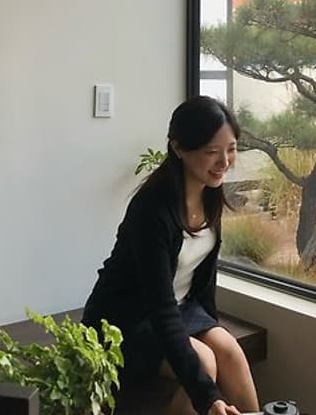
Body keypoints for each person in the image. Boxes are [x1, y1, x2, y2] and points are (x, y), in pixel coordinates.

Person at [83, 96, 260, 415]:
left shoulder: (210, 195)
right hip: (126, 319)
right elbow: (160, 308)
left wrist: (212, 329)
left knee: (230, 351)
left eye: (231, 149)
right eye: (211, 152)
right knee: (203, 362)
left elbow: (204, 285)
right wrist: (209, 398)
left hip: (180, 308)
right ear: (178, 148)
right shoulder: (152, 209)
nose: (224, 161)